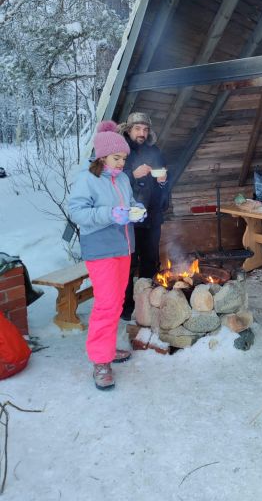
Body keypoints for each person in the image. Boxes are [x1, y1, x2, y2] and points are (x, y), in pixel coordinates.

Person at [68, 120, 146, 390]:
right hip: (100, 249)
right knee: (106, 304)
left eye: (124, 158)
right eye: (117, 158)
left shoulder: (122, 178)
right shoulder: (87, 179)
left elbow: (129, 202)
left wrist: (137, 209)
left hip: (123, 248)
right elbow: (77, 212)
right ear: (102, 156)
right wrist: (109, 214)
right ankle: (101, 361)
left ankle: (108, 349)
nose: (122, 163)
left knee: (115, 303)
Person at [117, 113, 169, 320]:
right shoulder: (121, 151)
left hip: (152, 216)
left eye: (145, 129)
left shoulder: (154, 151)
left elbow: (163, 181)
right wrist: (132, 174)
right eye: (138, 129)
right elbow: (110, 179)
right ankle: (127, 307)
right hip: (129, 219)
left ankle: (147, 302)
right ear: (129, 130)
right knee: (128, 264)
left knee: (150, 261)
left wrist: (163, 180)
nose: (142, 133)